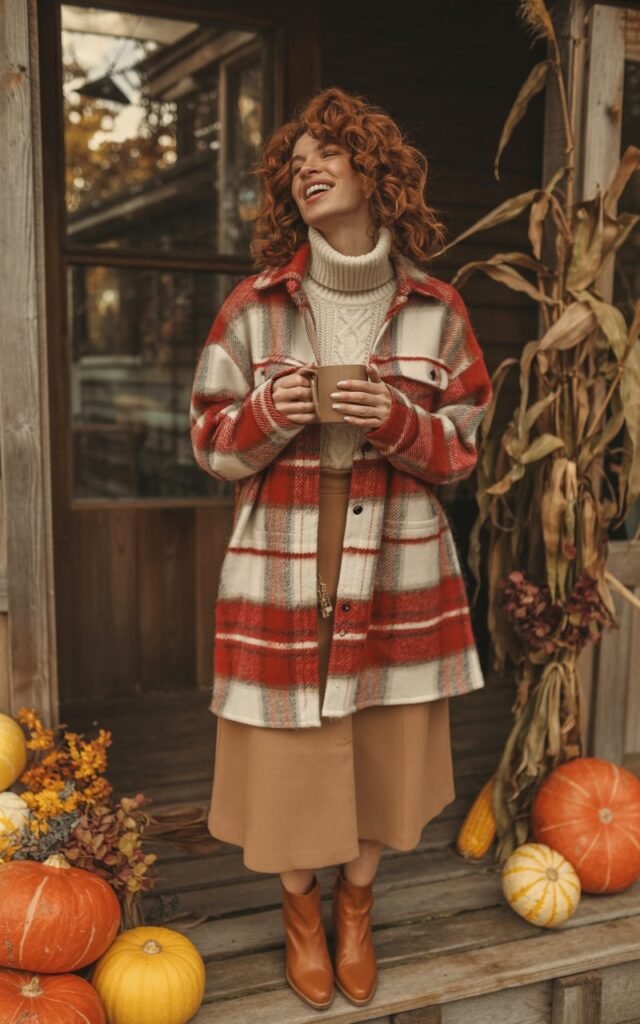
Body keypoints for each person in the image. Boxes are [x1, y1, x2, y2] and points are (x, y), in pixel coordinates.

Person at [190, 86, 492, 1011]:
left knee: (378, 735)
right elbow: (209, 441)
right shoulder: (254, 306)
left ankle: (355, 907)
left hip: (398, 550)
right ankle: (299, 911)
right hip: (285, 547)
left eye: (330, 150)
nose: (307, 166)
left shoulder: (438, 311)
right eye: (295, 160)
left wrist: (399, 420)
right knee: (286, 744)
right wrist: (269, 414)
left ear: (374, 170)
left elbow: (466, 445)